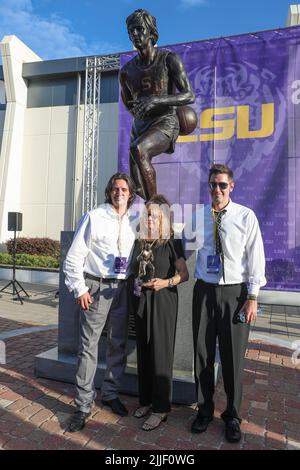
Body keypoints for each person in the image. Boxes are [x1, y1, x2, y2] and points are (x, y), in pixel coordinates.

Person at [192, 163, 266, 443]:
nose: (217, 190)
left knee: (233, 358)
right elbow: (182, 249)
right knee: (202, 353)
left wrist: (252, 297)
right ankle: (204, 409)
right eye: (213, 184)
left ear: (231, 187)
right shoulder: (198, 216)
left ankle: (232, 415)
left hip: (235, 293)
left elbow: (255, 258)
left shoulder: (246, 216)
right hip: (204, 292)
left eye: (222, 185)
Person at [63, 172, 137, 432]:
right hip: (96, 286)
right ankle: (83, 404)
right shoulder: (94, 217)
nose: (119, 193)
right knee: (89, 346)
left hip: (123, 288)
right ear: (110, 191)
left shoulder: (135, 220)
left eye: (124, 189)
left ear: (131, 194)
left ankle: (111, 394)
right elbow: (73, 258)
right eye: (115, 189)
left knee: (118, 343)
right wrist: (80, 289)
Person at [119, 9, 195, 201]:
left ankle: (155, 209)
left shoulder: (168, 60)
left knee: (139, 150)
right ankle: (146, 219)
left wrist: (155, 100)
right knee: (136, 185)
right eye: (130, 31)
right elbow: (128, 102)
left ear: (151, 33)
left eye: (139, 29)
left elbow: (189, 95)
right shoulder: (127, 72)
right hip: (140, 126)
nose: (134, 34)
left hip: (165, 120)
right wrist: (138, 109)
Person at [129, 194, 189, 431]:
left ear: (164, 217)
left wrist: (165, 283)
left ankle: (161, 408)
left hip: (163, 302)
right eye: (146, 215)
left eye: (153, 215)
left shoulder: (172, 242)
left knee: (160, 355)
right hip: (142, 302)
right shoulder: (140, 242)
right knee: (144, 351)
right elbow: (133, 271)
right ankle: (146, 401)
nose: (149, 219)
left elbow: (184, 274)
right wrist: (137, 282)